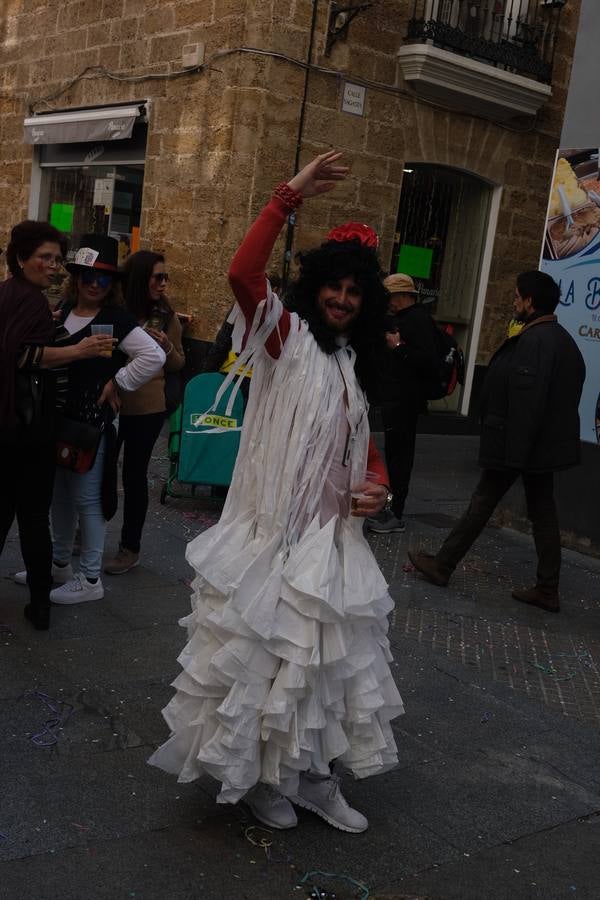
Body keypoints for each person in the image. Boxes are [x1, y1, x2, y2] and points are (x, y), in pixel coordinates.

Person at [149, 151, 404, 834]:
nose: (343, 301)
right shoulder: (282, 338)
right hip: (273, 540)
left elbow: (364, 447)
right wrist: (289, 195)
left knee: (325, 675)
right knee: (264, 672)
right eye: (334, 288)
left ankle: (316, 780)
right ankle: (263, 779)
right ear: (315, 287)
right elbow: (242, 272)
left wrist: (377, 486)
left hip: (333, 549)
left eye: (355, 294)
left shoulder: (352, 365)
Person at [409, 270, 586, 613]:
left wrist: (513, 454)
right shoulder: (561, 340)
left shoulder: (537, 341)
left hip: (519, 446)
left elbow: (527, 402)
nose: (514, 301)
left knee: (482, 502)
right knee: (543, 511)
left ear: (531, 301)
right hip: (537, 447)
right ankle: (547, 588)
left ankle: (443, 565)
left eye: (519, 296)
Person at [31, 235, 165, 606]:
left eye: (102, 278)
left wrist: (118, 381)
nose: (93, 283)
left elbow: (153, 356)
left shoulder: (116, 319)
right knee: (59, 494)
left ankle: (90, 578)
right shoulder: (63, 308)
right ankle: (58, 564)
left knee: (87, 499)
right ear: (76, 277)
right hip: (57, 418)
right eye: (87, 275)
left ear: (113, 284)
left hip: (91, 423)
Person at [1, 221, 113, 629]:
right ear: (20, 258)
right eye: (43, 257)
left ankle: (40, 601)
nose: (51, 266)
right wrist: (80, 349)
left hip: (10, 425)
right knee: (32, 516)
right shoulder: (28, 300)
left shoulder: (13, 295)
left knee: (7, 512)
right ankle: (40, 605)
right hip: (29, 428)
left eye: (55, 259)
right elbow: (23, 357)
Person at [104, 251, 185, 575]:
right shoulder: (116, 310)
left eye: (166, 277)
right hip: (111, 401)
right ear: (139, 278)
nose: (163, 284)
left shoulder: (166, 316)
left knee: (134, 476)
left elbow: (179, 363)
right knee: (100, 469)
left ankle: (129, 548)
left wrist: (165, 345)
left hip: (148, 407)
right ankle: (86, 532)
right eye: (157, 277)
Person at [367, 273, 438, 534]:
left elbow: (426, 360)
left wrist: (398, 347)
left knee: (400, 457)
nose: (389, 303)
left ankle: (395, 513)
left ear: (404, 296)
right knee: (395, 453)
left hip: (405, 399)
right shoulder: (404, 318)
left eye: (391, 297)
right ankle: (390, 509)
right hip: (395, 396)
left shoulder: (417, 320)